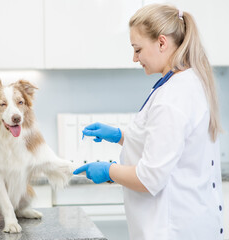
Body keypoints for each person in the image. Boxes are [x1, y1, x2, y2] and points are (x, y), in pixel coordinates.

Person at [73, 4, 223, 240]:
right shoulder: (184, 81)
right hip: (188, 221)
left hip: (173, 228)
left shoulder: (172, 98)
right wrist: (121, 136)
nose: (134, 58)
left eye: (137, 49)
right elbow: (167, 143)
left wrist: (107, 170)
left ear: (162, 43)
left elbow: (149, 177)